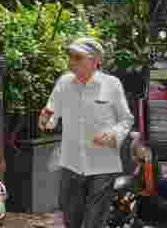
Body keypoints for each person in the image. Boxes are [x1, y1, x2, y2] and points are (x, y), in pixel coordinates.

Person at [38, 37, 134, 228]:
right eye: (71, 56)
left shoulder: (111, 84)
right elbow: (50, 117)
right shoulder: (64, 83)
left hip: (102, 165)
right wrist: (45, 119)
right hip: (71, 164)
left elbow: (126, 119)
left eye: (78, 57)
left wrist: (114, 134)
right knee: (71, 220)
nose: (71, 62)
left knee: (94, 222)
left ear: (95, 61)